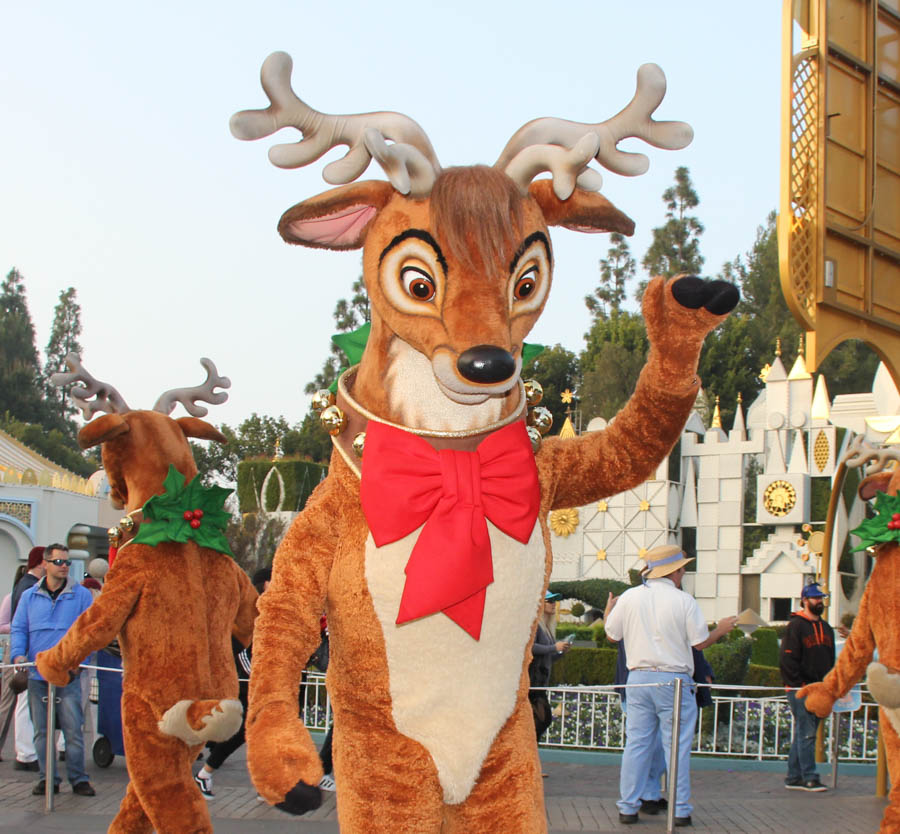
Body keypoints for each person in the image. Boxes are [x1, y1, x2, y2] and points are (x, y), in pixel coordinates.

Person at [604, 545, 737, 827]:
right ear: (674, 572)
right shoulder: (683, 600)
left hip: (638, 678)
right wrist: (722, 630)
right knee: (676, 747)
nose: (684, 572)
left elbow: (612, 635)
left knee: (636, 745)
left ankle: (628, 806)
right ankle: (680, 809)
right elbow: (699, 643)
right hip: (674, 680)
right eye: (682, 568)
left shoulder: (630, 597)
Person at [10, 543, 95, 796]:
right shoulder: (28, 596)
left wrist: (81, 662)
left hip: (68, 674)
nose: (64, 566)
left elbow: (88, 633)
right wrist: (18, 657)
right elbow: (19, 629)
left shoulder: (80, 595)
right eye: (58, 562)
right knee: (41, 732)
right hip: (37, 674)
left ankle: (79, 779)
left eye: (67, 562)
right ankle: (48, 778)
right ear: (45, 564)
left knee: (72, 730)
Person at [194, 567, 271, 799]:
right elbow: (241, 647)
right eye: (273, 579)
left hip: (259, 679)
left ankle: (263, 783)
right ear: (264, 584)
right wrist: (253, 674)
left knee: (261, 730)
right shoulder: (251, 609)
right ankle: (205, 773)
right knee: (245, 730)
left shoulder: (267, 608)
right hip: (247, 679)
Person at [779, 580, 835, 793]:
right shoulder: (796, 626)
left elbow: (830, 659)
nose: (819, 601)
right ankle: (809, 777)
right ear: (804, 600)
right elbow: (787, 660)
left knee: (804, 732)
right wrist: (797, 686)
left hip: (821, 689)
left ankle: (793, 776)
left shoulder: (826, 628)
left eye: (821, 598)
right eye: (815, 598)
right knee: (807, 733)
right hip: (801, 689)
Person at [528, 590, 571, 743]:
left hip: (541, 683)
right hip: (532, 685)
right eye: (550, 601)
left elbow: (548, 658)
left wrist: (561, 652)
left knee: (542, 720)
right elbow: (530, 647)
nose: (554, 604)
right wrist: (554, 648)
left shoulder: (546, 627)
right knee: (540, 720)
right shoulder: (535, 626)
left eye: (554, 601)